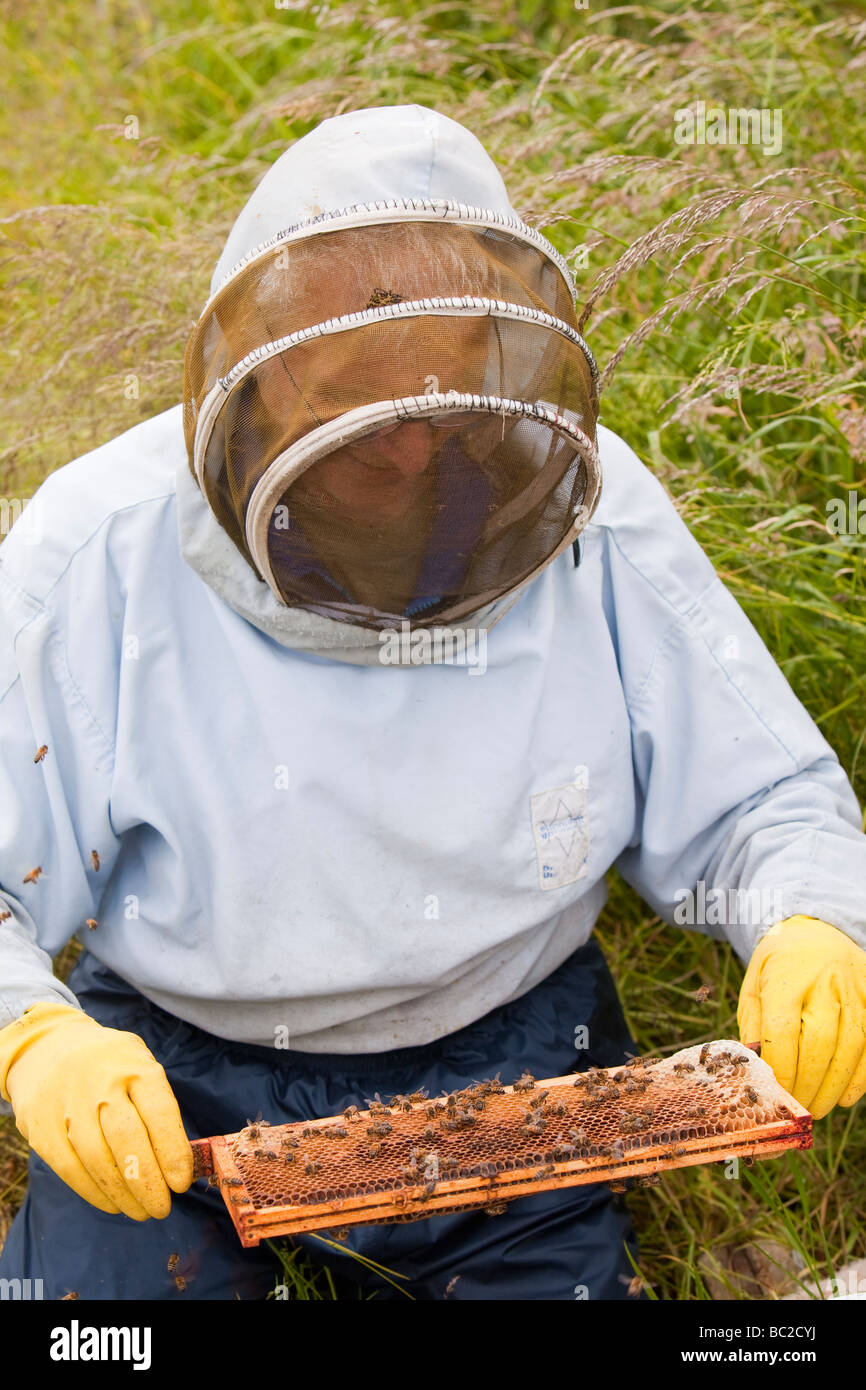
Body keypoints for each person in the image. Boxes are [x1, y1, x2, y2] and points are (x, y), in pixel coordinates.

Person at [0, 104, 864, 1303]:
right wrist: (36, 1039)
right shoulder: (95, 547)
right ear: (264, 382)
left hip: (515, 1057)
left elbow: (758, 793)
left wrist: (809, 916)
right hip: (179, 1073)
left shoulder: (588, 509)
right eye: (361, 414)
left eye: (442, 398)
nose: (412, 454)